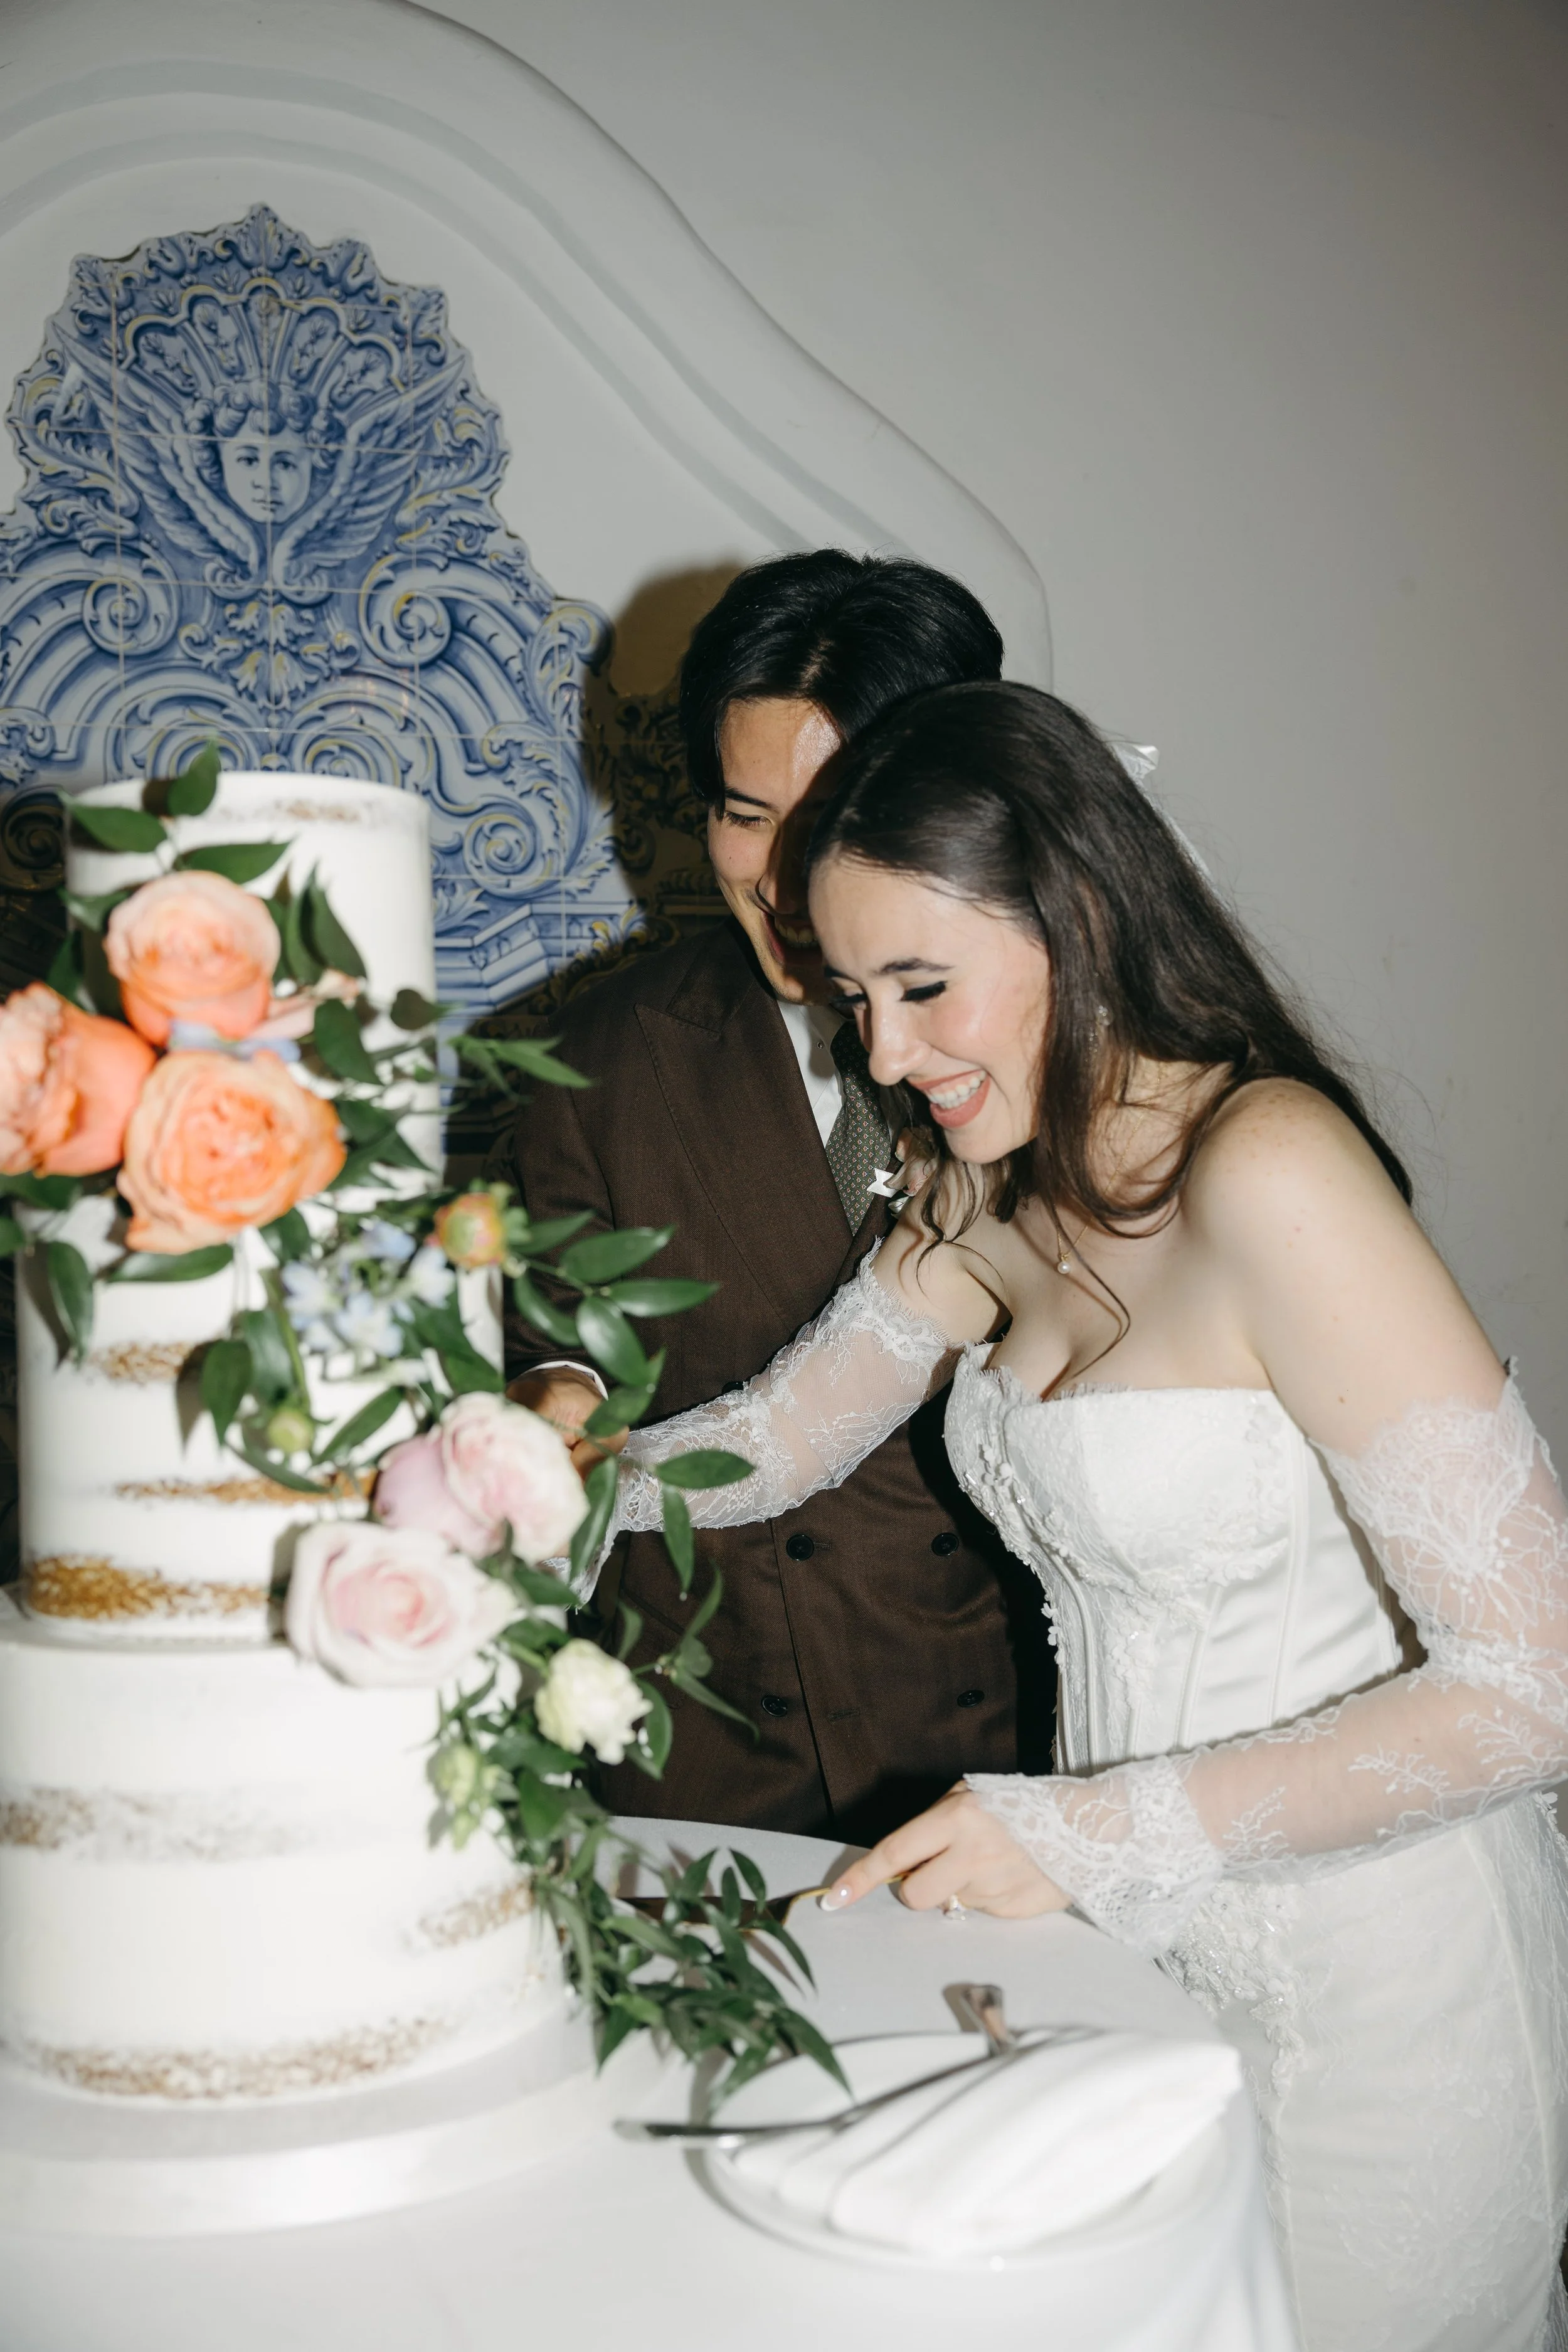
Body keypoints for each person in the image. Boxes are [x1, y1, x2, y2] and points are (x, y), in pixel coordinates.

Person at [601, 681, 1568, 2351]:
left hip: (1383, 1988)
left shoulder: (1266, 1169)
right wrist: (510, 1484)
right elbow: (770, 1440)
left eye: (921, 985)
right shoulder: (980, 1182)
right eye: (854, 997)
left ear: (1078, 911)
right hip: (1124, 1963)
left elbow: (1539, 1674)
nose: (885, 1054)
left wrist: (1088, 1833)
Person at [509, 552, 1052, 1840]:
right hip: (715, 1774)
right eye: (744, 813)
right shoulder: (597, 1058)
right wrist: (550, 1409)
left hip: (1023, 1760)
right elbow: (549, 1356)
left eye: (844, 809)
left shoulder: (1066, 1057)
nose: (785, 871)